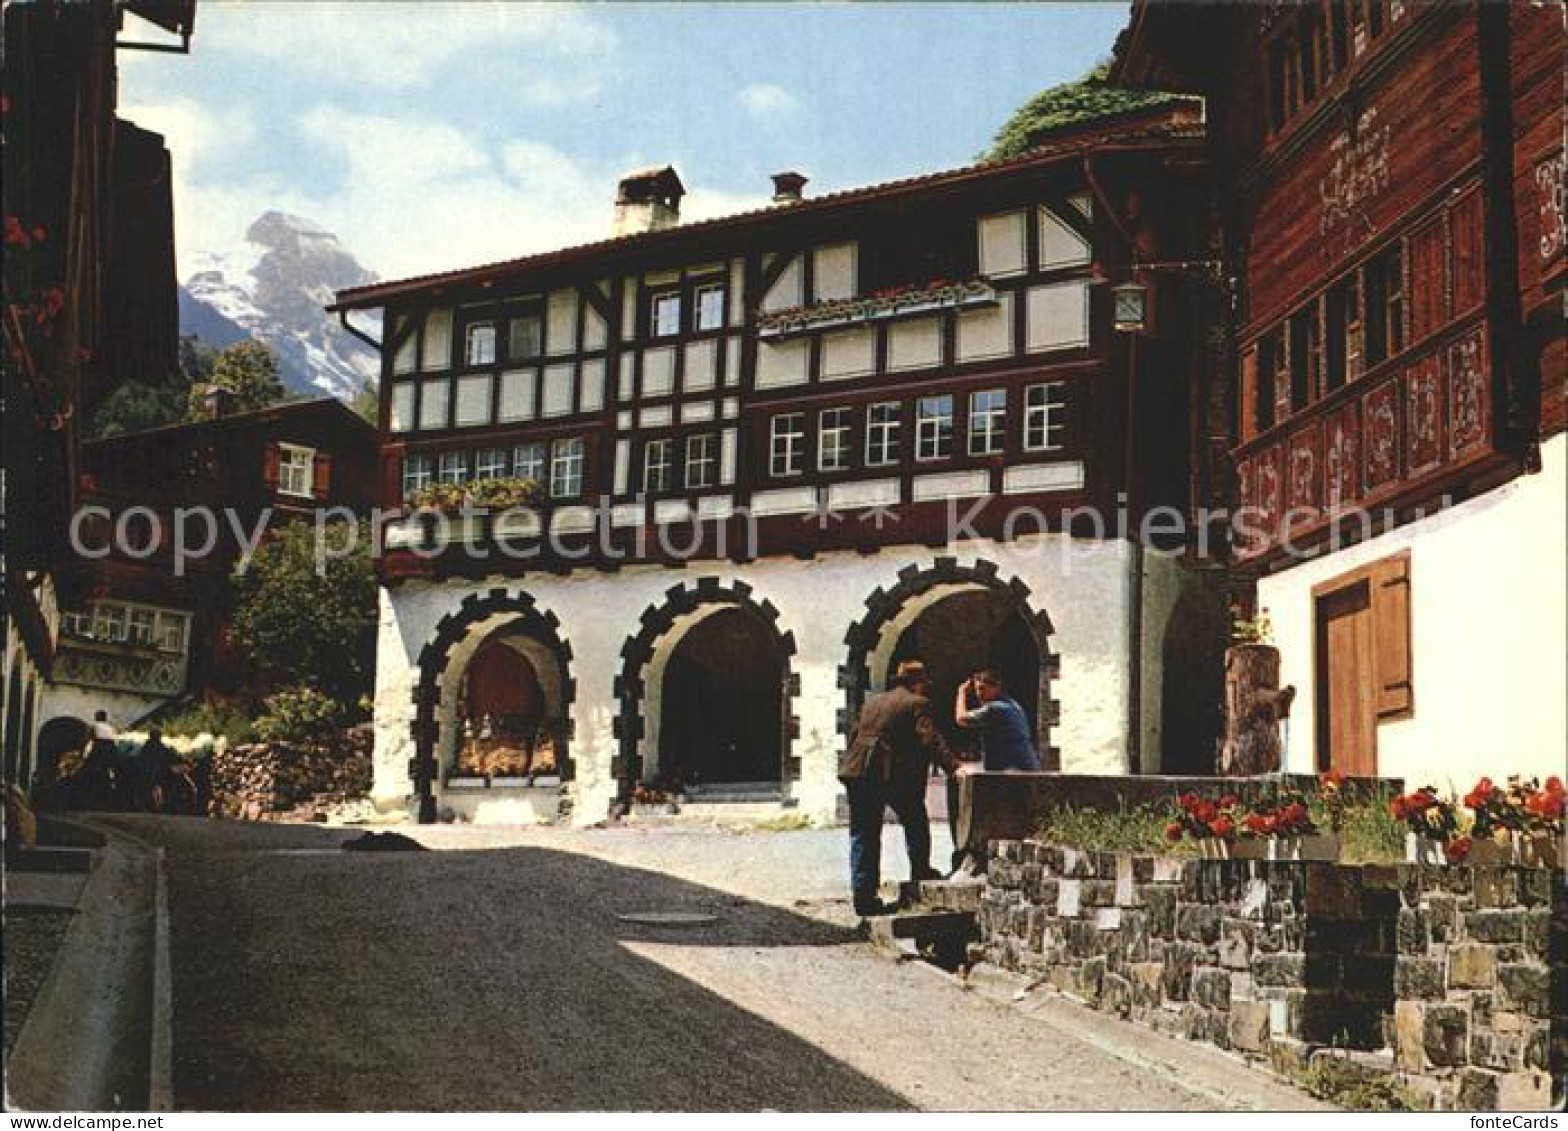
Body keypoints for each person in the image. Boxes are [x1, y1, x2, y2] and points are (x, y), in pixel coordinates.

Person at [839, 660, 965, 917]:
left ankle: (863, 899)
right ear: (918, 683)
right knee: (915, 820)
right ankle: (920, 872)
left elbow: (855, 734)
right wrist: (954, 766)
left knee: (863, 834)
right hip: (887, 773)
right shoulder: (917, 703)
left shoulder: (874, 702)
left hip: (857, 771)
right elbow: (930, 738)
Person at [954, 669, 1041, 772]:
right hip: (1026, 767)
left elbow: (961, 719)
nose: (979, 694)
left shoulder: (995, 708)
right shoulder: (1014, 705)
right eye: (977, 690)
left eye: (982, 689)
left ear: (997, 687)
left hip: (1011, 771)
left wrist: (961, 692)